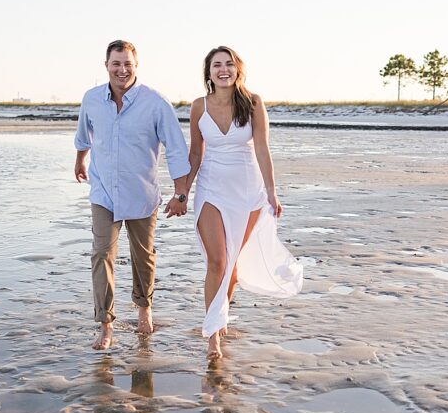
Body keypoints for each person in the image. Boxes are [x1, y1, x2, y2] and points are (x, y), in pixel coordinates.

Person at [183, 46, 304, 359]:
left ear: (238, 69)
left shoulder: (252, 103)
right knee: (218, 261)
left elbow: (262, 149)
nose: (223, 70)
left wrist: (272, 191)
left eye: (229, 64)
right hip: (211, 188)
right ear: (208, 72)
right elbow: (196, 153)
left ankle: (219, 315)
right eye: (216, 65)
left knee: (232, 265)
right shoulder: (198, 106)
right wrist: (182, 192)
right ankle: (212, 335)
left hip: (248, 191)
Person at [74, 40, 190, 350]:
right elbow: (84, 136)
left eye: (128, 64)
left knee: (143, 257)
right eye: (116, 63)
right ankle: (106, 325)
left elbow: (176, 149)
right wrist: (79, 161)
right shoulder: (92, 99)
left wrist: (181, 193)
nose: (122, 69)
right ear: (106, 65)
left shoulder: (155, 103)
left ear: (136, 67)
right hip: (103, 193)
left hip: (141, 193)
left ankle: (144, 309)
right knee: (102, 254)